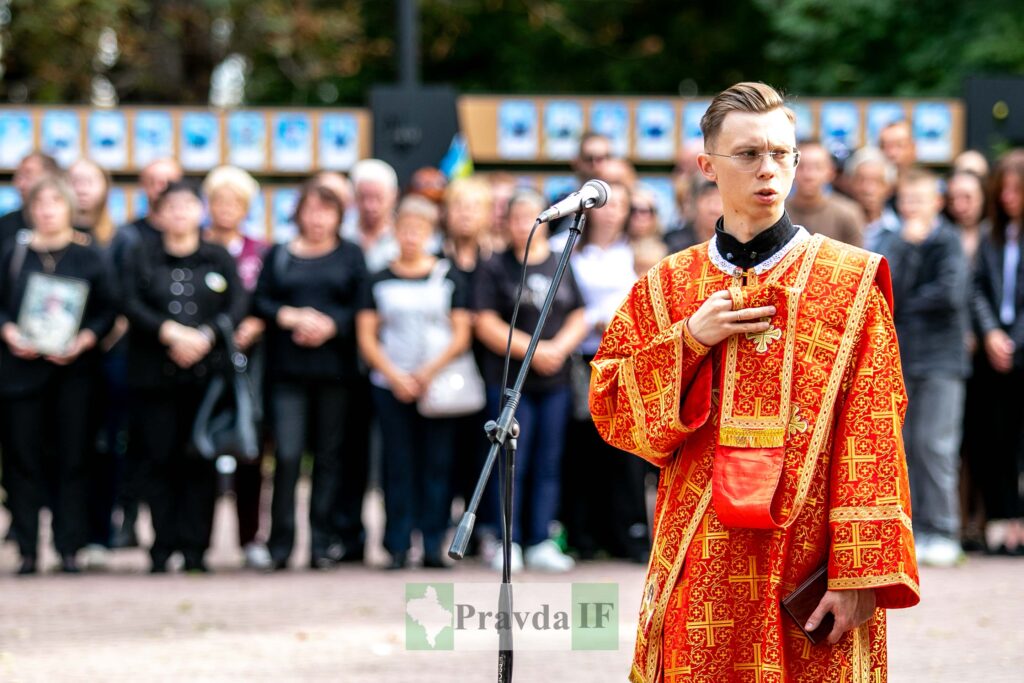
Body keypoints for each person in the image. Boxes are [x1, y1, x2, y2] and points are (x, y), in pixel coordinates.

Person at [590, 82, 919, 682]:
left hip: (809, 555)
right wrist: (690, 340)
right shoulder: (665, 286)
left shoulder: (850, 282)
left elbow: (873, 433)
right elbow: (614, 410)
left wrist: (861, 577)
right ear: (706, 166)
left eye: (781, 153)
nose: (768, 169)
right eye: (747, 154)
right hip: (700, 553)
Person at [122, 181, 246, 573]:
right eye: (170, 207)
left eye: (187, 206)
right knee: (158, 461)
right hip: (153, 375)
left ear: (200, 211)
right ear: (158, 214)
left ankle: (196, 548)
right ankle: (162, 545)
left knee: (199, 462)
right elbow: (129, 301)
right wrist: (168, 332)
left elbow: (239, 302)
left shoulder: (217, 256)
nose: (179, 214)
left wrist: (206, 336)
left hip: (205, 378)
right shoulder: (142, 255)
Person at [0, 175, 116, 574]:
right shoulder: (13, 254)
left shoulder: (89, 256)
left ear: (69, 208)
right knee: (22, 460)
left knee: (74, 459)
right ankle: (28, 549)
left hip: (74, 374)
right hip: (20, 371)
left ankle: (70, 546)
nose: (47, 211)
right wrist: (9, 331)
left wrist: (85, 339)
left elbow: (108, 309)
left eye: (56, 203)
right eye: (40, 204)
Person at [473, 189, 589, 572]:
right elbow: (486, 322)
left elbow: (578, 314)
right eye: (517, 216)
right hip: (509, 380)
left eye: (531, 215)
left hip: (553, 383)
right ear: (505, 223)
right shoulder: (495, 266)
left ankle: (540, 537)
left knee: (547, 461)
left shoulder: (561, 262)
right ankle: (508, 539)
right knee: (510, 462)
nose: (525, 223)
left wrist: (558, 348)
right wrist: (534, 351)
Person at [253, 182, 366, 570]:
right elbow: (261, 301)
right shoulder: (280, 254)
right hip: (287, 372)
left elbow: (362, 308)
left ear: (339, 216)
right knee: (286, 455)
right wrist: (290, 316)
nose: (317, 219)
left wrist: (332, 326)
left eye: (326, 211)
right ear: (298, 213)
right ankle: (279, 544)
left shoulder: (351, 255)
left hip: (335, 374)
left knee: (329, 458)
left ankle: (322, 541)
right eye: (310, 210)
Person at [356, 196, 471, 569]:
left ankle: (435, 541)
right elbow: (368, 335)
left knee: (438, 465)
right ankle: (397, 544)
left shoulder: (448, 274)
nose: (411, 237)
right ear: (395, 232)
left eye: (419, 230)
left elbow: (460, 333)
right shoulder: (378, 277)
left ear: (430, 233)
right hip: (390, 384)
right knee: (397, 465)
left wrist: (426, 373)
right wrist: (396, 377)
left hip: (438, 383)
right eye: (404, 229)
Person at [558, 180, 653, 564]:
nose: (611, 211)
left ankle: (627, 535)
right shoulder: (564, 248)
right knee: (582, 452)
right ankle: (582, 535)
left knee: (626, 454)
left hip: (629, 362)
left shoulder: (638, 252)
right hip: (579, 360)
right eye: (605, 204)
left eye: (620, 204)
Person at [880, 168, 969, 567]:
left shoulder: (949, 241)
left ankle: (945, 530)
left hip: (942, 359)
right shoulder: (894, 240)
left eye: (921, 199)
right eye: (907, 200)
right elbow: (887, 287)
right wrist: (906, 246)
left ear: (937, 202)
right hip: (903, 357)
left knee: (936, 446)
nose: (913, 207)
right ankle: (912, 532)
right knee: (906, 447)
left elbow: (950, 294)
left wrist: (909, 303)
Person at [107, 157, 185, 550]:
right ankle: (127, 518)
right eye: (153, 181)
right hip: (134, 354)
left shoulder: (194, 239)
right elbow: (120, 296)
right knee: (132, 441)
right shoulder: (129, 237)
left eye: (168, 181)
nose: (161, 188)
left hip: (186, 361)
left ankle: (173, 532)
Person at [201, 165, 271, 570]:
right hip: (204, 358)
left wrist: (254, 325)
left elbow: (268, 297)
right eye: (219, 201)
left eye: (235, 202)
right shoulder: (196, 247)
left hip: (250, 362)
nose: (226, 209)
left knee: (250, 446)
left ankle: (250, 537)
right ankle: (199, 540)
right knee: (201, 447)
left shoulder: (260, 251)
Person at [970, 149, 1024, 555]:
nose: (1008, 198)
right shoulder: (990, 235)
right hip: (992, 354)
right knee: (996, 441)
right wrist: (990, 333)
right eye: (1003, 189)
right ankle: (1004, 522)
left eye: (1016, 190)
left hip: (1019, 348)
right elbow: (977, 290)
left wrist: (1014, 338)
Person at [785, 139, 865, 246]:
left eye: (817, 167)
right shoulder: (777, 213)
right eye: (801, 167)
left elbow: (858, 259)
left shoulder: (848, 214)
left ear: (830, 172)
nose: (808, 175)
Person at [345, 159, 399, 273]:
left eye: (378, 198)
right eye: (363, 197)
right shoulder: (341, 234)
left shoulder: (404, 235)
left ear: (394, 196)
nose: (370, 206)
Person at [846, 146, 901, 254]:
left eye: (877, 181)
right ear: (850, 183)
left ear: (889, 187)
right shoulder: (841, 225)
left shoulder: (900, 230)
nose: (868, 189)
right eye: (861, 180)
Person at [0, 151, 60, 247]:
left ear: (51, 177)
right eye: (18, 177)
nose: (20, 184)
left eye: (28, 176)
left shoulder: (76, 226)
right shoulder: (5, 225)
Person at [665, 180, 722, 254]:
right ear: (695, 203)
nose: (713, 210)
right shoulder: (674, 242)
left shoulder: (734, 244)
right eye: (708, 201)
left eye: (719, 202)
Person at [68, 158, 115, 245]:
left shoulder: (121, 239)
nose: (82, 190)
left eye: (90, 182)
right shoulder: (53, 240)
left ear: (106, 187)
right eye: (75, 182)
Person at [946, 170, 988, 263]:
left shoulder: (998, 234)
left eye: (967, 198)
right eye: (952, 199)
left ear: (983, 197)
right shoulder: (941, 235)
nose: (958, 207)